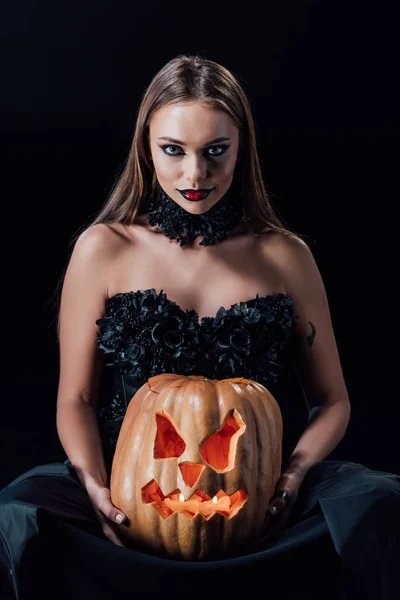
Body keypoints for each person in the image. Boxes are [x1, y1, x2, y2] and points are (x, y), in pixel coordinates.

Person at [1, 53, 399, 600]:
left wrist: (292, 475)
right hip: (132, 486)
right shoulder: (103, 249)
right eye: (174, 150)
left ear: (242, 149)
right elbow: (77, 398)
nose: (195, 175)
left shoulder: (285, 255)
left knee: (378, 505)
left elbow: (333, 401)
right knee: (15, 521)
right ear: (146, 147)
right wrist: (96, 488)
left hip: (258, 492)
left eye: (216, 152)